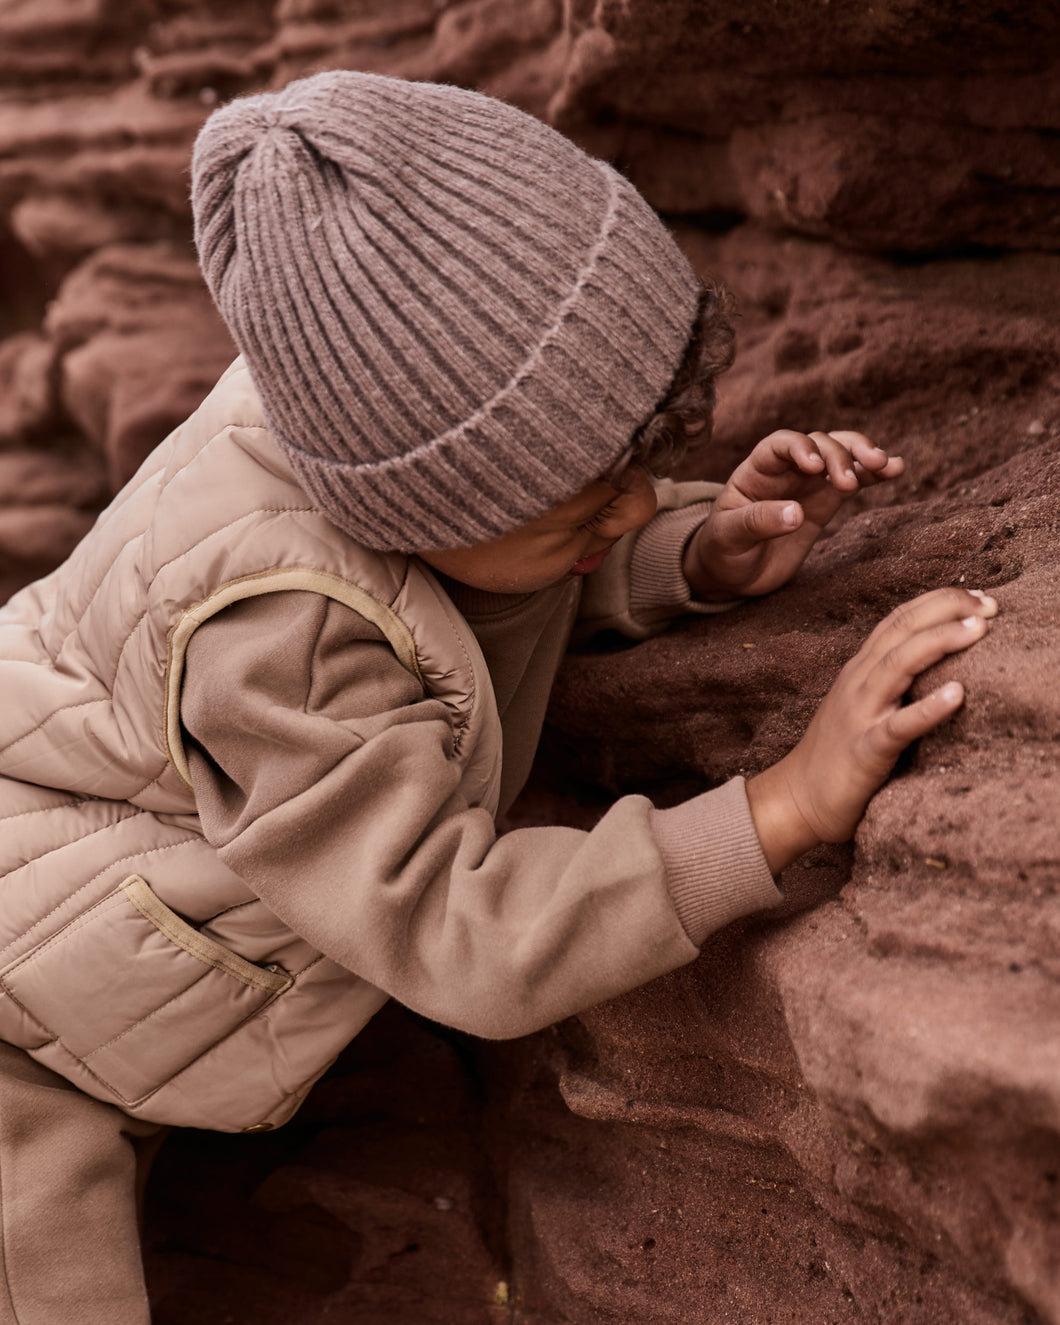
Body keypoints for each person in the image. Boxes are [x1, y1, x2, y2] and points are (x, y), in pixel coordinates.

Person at [0, 71, 995, 1323]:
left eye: (639, 457)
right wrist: (778, 810)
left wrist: (690, 550)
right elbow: (455, 927)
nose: (636, 496)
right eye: (591, 504)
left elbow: (478, 590)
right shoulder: (277, 638)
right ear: (420, 507)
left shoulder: (372, 410)